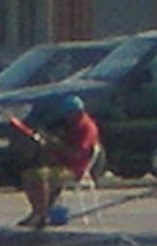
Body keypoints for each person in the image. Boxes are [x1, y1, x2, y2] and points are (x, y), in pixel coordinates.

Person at [11, 96, 102, 232]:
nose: (66, 118)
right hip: (61, 165)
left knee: (40, 177)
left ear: (77, 112)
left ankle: (42, 215)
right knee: (28, 175)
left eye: (68, 114)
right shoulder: (71, 125)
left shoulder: (86, 128)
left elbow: (75, 154)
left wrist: (54, 144)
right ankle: (38, 212)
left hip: (74, 169)